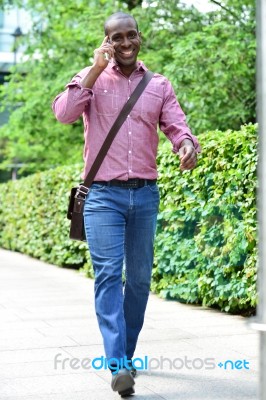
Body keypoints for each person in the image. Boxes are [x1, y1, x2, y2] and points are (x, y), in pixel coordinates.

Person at [52, 11, 200, 397]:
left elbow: (176, 126)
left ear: (140, 37)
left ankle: (125, 358)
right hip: (102, 196)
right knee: (107, 277)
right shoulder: (92, 78)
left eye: (130, 35)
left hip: (145, 195)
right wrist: (94, 71)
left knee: (138, 281)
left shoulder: (158, 85)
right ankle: (117, 365)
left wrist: (186, 144)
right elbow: (63, 113)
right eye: (116, 38)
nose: (125, 43)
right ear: (106, 42)